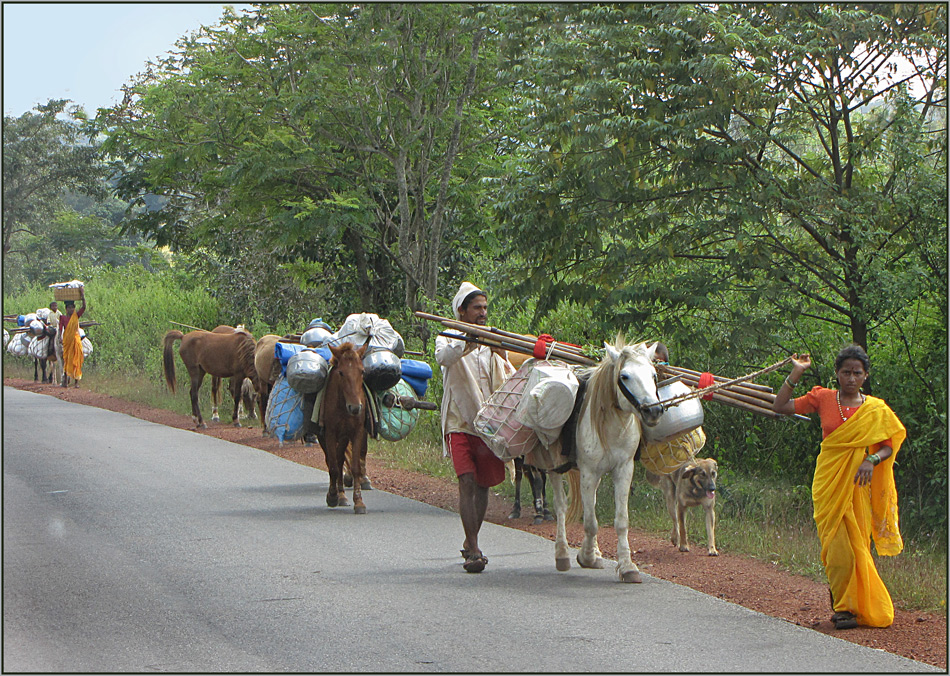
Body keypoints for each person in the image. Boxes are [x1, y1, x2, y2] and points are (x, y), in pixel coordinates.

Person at [772, 344, 906, 630]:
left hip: (858, 484)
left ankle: (848, 608)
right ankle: (842, 605)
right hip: (828, 481)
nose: (851, 378)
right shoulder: (823, 397)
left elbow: (889, 445)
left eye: (857, 373)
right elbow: (780, 406)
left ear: (865, 376)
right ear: (837, 373)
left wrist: (871, 459)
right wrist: (796, 373)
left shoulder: (876, 409)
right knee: (836, 549)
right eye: (846, 372)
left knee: (857, 545)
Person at [435, 282, 514, 573]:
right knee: (466, 480)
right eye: (477, 308)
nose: (483, 313)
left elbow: (507, 373)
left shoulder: (493, 339)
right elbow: (443, 359)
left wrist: (499, 350)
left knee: (482, 484)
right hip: (459, 421)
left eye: (484, 308)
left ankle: (472, 541)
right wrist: (466, 342)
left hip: (487, 422)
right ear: (462, 311)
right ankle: (474, 549)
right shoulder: (446, 336)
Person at [59, 290, 89, 388]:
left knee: (77, 358)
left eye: (73, 308)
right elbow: (60, 329)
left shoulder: (76, 316)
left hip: (76, 340)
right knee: (67, 360)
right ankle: (66, 379)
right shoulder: (62, 317)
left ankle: (76, 382)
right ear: (66, 309)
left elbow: (84, 307)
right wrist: (59, 337)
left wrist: (83, 295)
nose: (71, 309)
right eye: (69, 308)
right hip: (67, 341)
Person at [46, 301, 63, 385]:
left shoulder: (59, 312)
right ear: (51, 307)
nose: (55, 307)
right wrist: (49, 324)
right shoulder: (50, 313)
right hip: (53, 329)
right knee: (51, 339)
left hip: (59, 328)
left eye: (56, 305)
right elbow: (48, 321)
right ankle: (50, 349)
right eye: (53, 306)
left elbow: (62, 319)